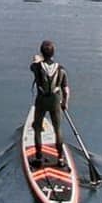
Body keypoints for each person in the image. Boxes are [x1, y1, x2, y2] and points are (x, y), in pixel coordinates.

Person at [29, 39, 70, 169]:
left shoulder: (36, 67)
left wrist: (39, 59)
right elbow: (66, 90)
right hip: (55, 100)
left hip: (41, 100)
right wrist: (65, 103)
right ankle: (60, 158)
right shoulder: (61, 69)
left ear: (42, 53)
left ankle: (39, 157)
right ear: (53, 53)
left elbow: (33, 63)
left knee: (37, 128)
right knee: (57, 129)